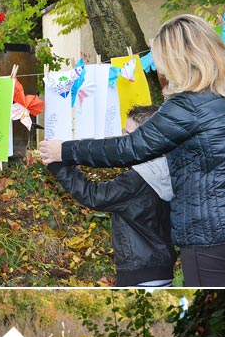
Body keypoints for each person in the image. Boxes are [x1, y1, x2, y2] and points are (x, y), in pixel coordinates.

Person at [39, 14, 225, 287]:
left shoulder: (188, 105)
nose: (162, 72)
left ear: (179, 58)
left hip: (210, 238)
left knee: (208, 323)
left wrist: (65, 151)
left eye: (163, 63)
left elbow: (129, 148)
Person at [46, 105, 176, 287]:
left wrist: (57, 165)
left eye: (129, 136)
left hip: (140, 273)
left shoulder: (137, 180)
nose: (123, 142)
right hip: (161, 270)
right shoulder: (165, 168)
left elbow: (94, 196)